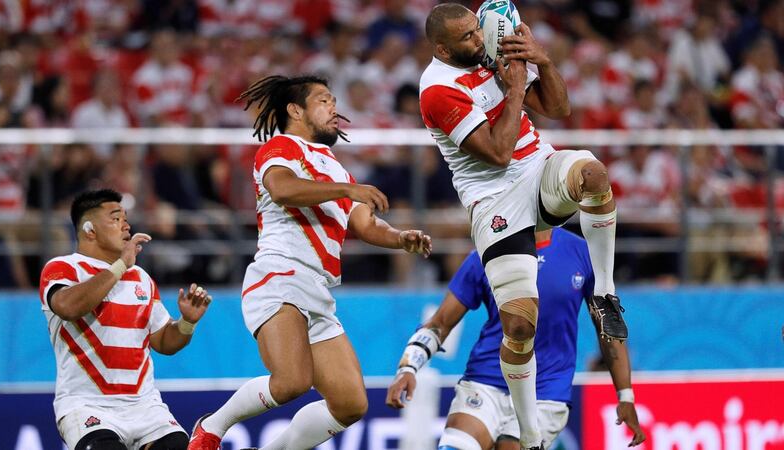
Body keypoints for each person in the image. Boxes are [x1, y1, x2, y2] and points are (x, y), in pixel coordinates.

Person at [419, 4, 628, 448]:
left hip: (537, 168)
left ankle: (606, 291)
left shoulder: (490, 53)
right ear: (442, 48)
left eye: (479, 31)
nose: (480, 42)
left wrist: (542, 60)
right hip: (494, 200)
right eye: (468, 40)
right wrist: (513, 88)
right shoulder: (438, 90)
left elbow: (560, 108)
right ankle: (530, 434)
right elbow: (495, 153)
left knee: (594, 175)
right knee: (518, 326)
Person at [187, 75, 433, 450]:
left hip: (317, 288)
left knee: (350, 403)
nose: (334, 107)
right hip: (280, 275)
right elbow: (283, 189)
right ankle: (212, 426)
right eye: (323, 100)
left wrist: (400, 238)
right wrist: (348, 189)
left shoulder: (333, 165)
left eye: (334, 100)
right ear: (295, 110)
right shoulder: (281, 147)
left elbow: (364, 223)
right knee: (290, 383)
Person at [386, 229, 646, 449]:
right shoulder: (489, 250)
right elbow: (440, 323)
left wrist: (626, 395)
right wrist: (408, 367)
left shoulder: (584, 253)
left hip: (545, 391)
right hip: (486, 382)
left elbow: (609, 330)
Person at [38, 189, 212, 450]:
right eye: (116, 218)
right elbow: (67, 307)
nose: (126, 225)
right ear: (90, 230)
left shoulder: (141, 278)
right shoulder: (64, 268)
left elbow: (164, 342)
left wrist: (187, 322)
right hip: (87, 406)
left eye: (126, 219)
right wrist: (120, 266)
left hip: (145, 407)